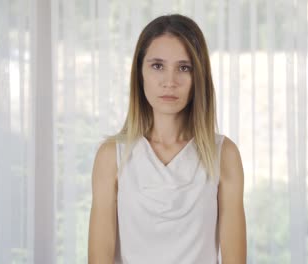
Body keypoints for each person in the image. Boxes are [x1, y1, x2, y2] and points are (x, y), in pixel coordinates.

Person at [88, 14, 246, 264]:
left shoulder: (223, 155)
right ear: (140, 73)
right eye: (157, 66)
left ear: (198, 77)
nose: (169, 82)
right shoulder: (112, 156)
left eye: (184, 68)